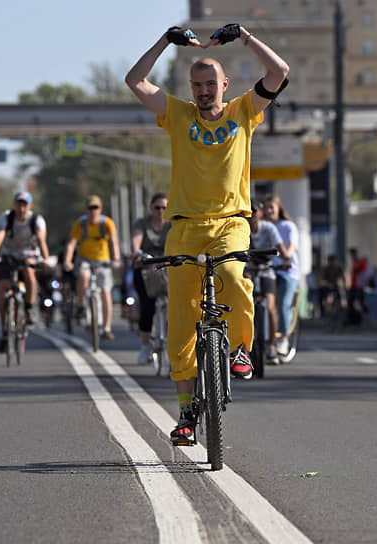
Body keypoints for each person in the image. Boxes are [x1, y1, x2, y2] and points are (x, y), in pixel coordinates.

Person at [126, 22, 289, 443]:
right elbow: (135, 81)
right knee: (181, 321)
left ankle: (240, 349)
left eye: (210, 83)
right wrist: (165, 40)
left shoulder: (243, 112)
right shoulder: (176, 114)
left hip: (231, 223)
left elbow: (279, 72)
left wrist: (247, 37)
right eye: (197, 84)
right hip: (183, 229)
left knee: (234, 278)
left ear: (224, 84)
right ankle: (185, 415)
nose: (203, 91)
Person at [0, 191, 50, 353]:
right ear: (15, 204)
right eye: (19, 204)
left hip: (29, 255)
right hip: (9, 255)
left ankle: (28, 308)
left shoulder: (37, 220)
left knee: (29, 273)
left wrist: (45, 258)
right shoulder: (6, 217)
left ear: (30, 206)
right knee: (2, 289)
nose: (22, 208)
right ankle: (5, 331)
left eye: (25, 204)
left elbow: (42, 240)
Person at [62, 195, 121, 342]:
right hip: (85, 258)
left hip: (103, 260)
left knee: (105, 291)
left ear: (100, 209)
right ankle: (81, 303)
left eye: (96, 208)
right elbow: (71, 244)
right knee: (83, 276)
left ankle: (107, 328)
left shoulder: (107, 223)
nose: (93, 211)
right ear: (86, 210)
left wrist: (116, 259)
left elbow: (114, 242)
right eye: (90, 208)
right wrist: (67, 261)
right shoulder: (81, 223)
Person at [247, 200, 289, 363]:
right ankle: (244, 347)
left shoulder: (269, 228)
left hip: (266, 269)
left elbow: (281, 248)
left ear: (261, 213)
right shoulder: (242, 229)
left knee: (270, 307)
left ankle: (271, 344)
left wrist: (286, 259)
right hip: (248, 270)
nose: (252, 215)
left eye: (255, 211)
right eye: (249, 212)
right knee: (245, 305)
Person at [131, 192, 171, 364]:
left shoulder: (173, 225)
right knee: (148, 307)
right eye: (157, 207)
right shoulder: (142, 223)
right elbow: (136, 240)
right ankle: (145, 345)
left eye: (164, 208)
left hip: (169, 269)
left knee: (176, 308)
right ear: (151, 208)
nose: (161, 211)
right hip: (146, 270)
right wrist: (136, 251)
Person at [263, 194, 298, 356]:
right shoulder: (261, 227)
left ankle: (283, 338)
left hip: (286, 271)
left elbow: (290, 247)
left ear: (278, 209)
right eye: (266, 207)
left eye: (272, 207)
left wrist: (287, 258)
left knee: (283, 304)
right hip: (267, 270)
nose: (269, 211)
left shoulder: (288, 226)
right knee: (262, 304)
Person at [319, 254, 347, 321]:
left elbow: (343, 279)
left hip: (339, 289)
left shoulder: (339, 268)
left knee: (343, 302)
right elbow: (322, 280)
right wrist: (327, 283)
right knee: (328, 300)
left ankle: (342, 317)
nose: (333, 263)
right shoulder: (327, 269)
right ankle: (328, 315)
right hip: (330, 289)